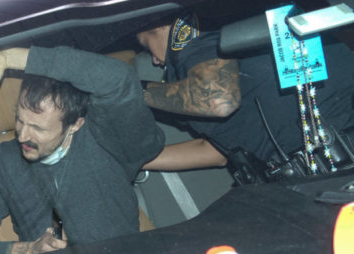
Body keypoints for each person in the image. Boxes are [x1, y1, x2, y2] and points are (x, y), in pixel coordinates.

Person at [0, 45, 164, 254]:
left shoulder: (109, 138)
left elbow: (119, 79)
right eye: (20, 120)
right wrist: (26, 251)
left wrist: (9, 58)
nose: (23, 136)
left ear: (75, 125)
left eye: (38, 128)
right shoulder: (3, 162)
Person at [138, 14, 354, 174]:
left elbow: (217, 100)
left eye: (148, 48)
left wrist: (134, 89)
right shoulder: (207, 61)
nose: (155, 61)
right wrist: (137, 161)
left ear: (160, 24)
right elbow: (218, 152)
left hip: (334, 160)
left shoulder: (195, 32)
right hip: (320, 166)